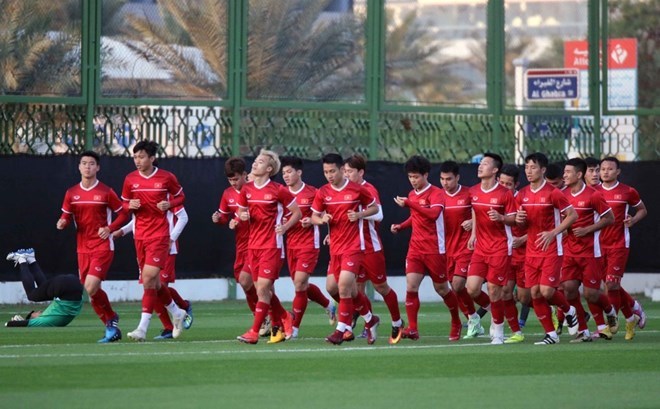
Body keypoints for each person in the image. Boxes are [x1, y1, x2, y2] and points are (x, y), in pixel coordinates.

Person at [57, 150, 129, 343]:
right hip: (82, 248)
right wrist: (62, 222)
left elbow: (124, 213)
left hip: (102, 246)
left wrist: (110, 228)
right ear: (79, 166)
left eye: (91, 163)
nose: (87, 167)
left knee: (90, 286)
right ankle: (110, 323)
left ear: (98, 167)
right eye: (84, 163)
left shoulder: (106, 191)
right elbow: (66, 216)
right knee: (91, 292)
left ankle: (111, 318)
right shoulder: (71, 193)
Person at [120, 140, 188, 341]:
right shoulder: (130, 179)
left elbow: (181, 197)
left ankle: (142, 327)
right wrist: (129, 205)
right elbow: (123, 204)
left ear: (152, 158)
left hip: (160, 236)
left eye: (141, 157)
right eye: (135, 157)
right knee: (154, 283)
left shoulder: (166, 177)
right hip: (140, 236)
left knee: (149, 277)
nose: (137, 161)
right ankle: (177, 312)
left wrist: (170, 203)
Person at [311, 153, 381, 345]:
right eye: (326, 172)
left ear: (342, 169)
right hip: (335, 248)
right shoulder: (323, 192)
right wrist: (321, 219)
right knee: (334, 288)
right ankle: (370, 319)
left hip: (354, 247)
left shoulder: (357, 190)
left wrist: (359, 214)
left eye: (332, 171)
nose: (329, 175)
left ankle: (341, 330)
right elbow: (313, 216)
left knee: (343, 287)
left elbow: (375, 209)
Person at [391, 155, 462, 342]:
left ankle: (456, 321)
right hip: (415, 249)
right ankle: (413, 328)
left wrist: (410, 203)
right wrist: (401, 225)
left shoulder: (436, 193)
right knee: (411, 286)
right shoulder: (413, 194)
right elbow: (416, 217)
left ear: (426, 175)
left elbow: (433, 214)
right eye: (410, 177)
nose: (413, 180)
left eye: (416, 176)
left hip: (434, 249)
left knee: (442, 289)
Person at [236, 149, 301, 344]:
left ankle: (254, 332)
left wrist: (285, 227)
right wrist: (242, 215)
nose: (255, 164)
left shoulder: (278, 190)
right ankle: (285, 317)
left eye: (260, 162)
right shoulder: (246, 189)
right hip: (252, 246)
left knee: (263, 288)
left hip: (272, 246)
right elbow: (240, 210)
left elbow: (296, 213)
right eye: (255, 160)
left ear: (269, 169)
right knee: (262, 290)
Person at [515, 152, 579, 345]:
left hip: (552, 249)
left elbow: (572, 215)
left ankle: (569, 310)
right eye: (526, 167)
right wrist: (519, 221)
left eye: (533, 167)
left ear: (543, 170)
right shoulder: (523, 194)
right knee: (533, 294)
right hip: (531, 251)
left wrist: (553, 233)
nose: (529, 171)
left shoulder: (554, 192)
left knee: (547, 291)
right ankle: (551, 334)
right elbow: (521, 224)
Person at [343, 154, 403, 344]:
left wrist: (358, 214)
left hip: (370, 247)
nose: (346, 175)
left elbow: (379, 215)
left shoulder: (368, 189)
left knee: (380, 286)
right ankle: (368, 323)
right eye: (344, 171)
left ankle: (397, 322)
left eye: (350, 171)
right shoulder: (344, 190)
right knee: (354, 289)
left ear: (360, 172)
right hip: (351, 247)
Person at [115, 205, 193, 339]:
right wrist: (122, 231)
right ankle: (172, 322)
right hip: (144, 246)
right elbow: (140, 220)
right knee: (153, 286)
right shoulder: (139, 192)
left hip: (164, 246)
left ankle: (184, 306)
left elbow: (183, 217)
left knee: (154, 284)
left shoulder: (166, 192)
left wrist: (171, 238)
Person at [560, 158, 617, 342]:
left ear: (578, 174)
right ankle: (583, 331)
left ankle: (609, 310)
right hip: (569, 251)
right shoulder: (562, 195)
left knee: (590, 294)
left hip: (591, 252)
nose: (564, 175)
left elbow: (610, 218)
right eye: (564, 172)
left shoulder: (593, 195)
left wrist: (587, 230)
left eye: (568, 172)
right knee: (568, 290)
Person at [280, 155, 336, 339]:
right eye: (283, 173)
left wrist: (313, 222)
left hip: (308, 244)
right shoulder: (280, 193)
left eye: (289, 172)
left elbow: (325, 215)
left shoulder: (313, 192)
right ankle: (328, 305)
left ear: (299, 172)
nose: (286, 176)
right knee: (300, 285)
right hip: (290, 244)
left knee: (299, 284)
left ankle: (294, 328)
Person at [465, 153, 518, 344]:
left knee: (494, 289)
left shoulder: (505, 193)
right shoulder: (473, 191)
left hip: (500, 247)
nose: (480, 166)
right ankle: (494, 313)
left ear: (495, 170)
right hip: (481, 247)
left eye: (485, 164)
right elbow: (475, 210)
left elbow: (515, 219)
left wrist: (502, 218)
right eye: (480, 163)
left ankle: (498, 328)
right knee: (471, 289)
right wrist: (473, 235)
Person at [595, 156, 648, 340]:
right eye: (602, 169)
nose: (605, 172)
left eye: (610, 169)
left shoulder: (627, 191)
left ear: (618, 171)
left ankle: (611, 325)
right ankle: (633, 312)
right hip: (598, 245)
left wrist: (633, 219)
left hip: (618, 244)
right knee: (611, 285)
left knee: (611, 284)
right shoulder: (594, 192)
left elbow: (642, 209)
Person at [438, 161, 490, 338]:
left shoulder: (469, 193)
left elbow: (482, 213)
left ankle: (474, 318)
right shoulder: (437, 196)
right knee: (456, 289)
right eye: (442, 179)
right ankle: (484, 310)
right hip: (447, 249)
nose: (446, 183)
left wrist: (472, 222)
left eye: (449, 179)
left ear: (457, 177)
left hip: (467, 246)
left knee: (459, 284)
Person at [212, 158, 263, 333]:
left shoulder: (255, 189)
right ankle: (262, 317)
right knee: (245, 283)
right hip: (241, 245)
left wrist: (246, 217)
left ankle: (269, 318)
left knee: (252, 281)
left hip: (258, 242)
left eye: (236, 179)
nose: (233, 183)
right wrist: (219, 219)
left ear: (245, 175)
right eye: (230, 180)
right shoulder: (227, 194)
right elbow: (225, 216)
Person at [5, 249, 83, 328]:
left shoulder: (53, 316)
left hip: (75, 283)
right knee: (31, 295)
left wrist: (30, 316)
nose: (39, 312)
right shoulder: (43, 322)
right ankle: (21, 259)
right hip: (64, 289)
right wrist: (14, 322)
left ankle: (31, 259)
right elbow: (11, 324)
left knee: (43, 288)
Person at [497, 164, 529, 342]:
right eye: (501, 182)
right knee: (505, 292)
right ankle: (516, 331)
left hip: (526, 254)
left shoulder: (524, 199)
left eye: (508, 184)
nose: (503, 187)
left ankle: (557, 309)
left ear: (516, 184)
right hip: (505, 253)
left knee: (525, 297)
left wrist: (523, 239)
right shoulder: (495, 198)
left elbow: (540, 226)